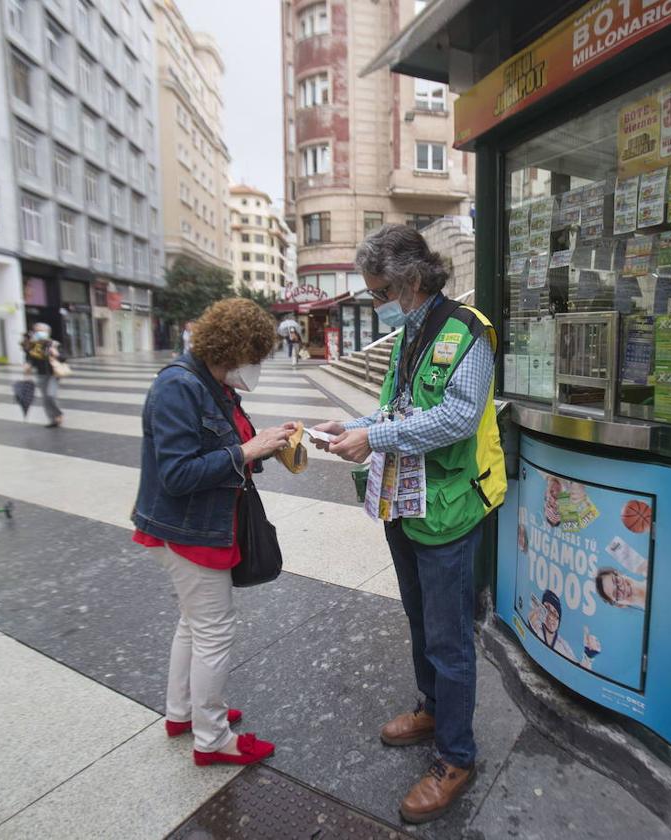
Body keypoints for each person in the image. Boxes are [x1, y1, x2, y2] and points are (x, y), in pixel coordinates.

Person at [311, 224, 506, 824]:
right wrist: (356, 428)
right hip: (406, 502)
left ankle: (456, 755)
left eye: (378, 293)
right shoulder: (409, 335)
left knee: (450, 638)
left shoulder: (467, 331)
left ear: (411, 280)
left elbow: (456, 416)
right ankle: (431, 707)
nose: (376, 305)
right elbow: (398, 407)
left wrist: (376, 436)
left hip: (450, 508)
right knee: (419, 617)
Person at [131, 298, 297, 768]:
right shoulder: (178, 387)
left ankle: (184, 713)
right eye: (255, 357)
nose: (256, 367)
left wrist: (267, 442)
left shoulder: (213, 383)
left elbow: (232, 442)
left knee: (194, 624)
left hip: (203, 524)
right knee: (213, 632)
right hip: (189, 529)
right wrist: (247, 451)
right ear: (234, 348)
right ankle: (213, 737)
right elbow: (178, 474)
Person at [527, 589, 600, 669]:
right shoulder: (536, 626)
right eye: (547, 609)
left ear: (559, 620)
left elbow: (577, 668)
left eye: (555, 613)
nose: (551, 617)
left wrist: (588, 656)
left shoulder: (562, 645)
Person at [23, 322, 65, 428]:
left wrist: (57, 354)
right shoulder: (33, 346)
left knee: (51, 395)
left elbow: (64, 358)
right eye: (37, 331)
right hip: (41, 374)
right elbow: (30, 359)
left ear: (48, 332)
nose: (39, 333)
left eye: (41, 331)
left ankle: (58, 413)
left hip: (54, 373)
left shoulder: (54, 344)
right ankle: (53, 419)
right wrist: (28, 364)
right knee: (45, 399)